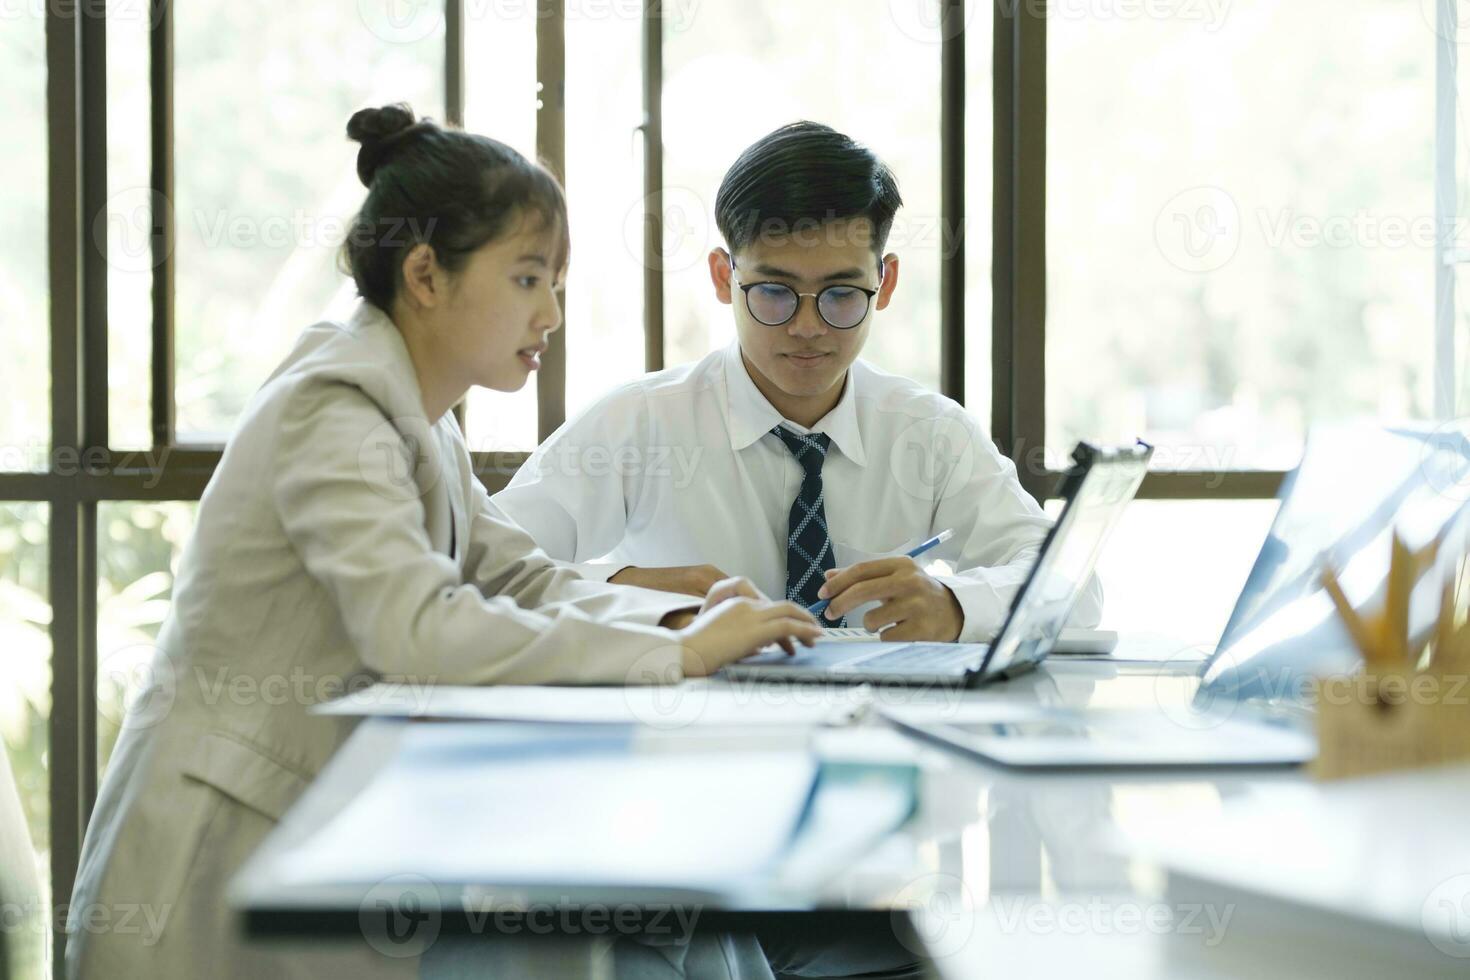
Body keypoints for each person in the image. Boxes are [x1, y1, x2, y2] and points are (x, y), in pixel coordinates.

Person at [65, 104, 820, 980]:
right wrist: (678, 659)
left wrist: (686, 619)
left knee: (658, 910)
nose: (553, 313)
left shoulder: (417, 416)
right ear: (426, 274)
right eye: (530, 278)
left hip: (318, 846)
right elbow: (418, 630)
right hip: (217, 881)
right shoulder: (333, 409)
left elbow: (523, 579)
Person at [493, 121, 1102, 646]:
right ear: (722, 277)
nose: (808, 327)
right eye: (775, 292)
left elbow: (1074, 583)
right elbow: (479, 569)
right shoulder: (640, 423)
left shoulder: (929, 433)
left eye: (841, 294)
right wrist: (633, 591)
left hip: (877, 743)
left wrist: (956, 604)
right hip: (690, 748)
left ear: (885, 284)